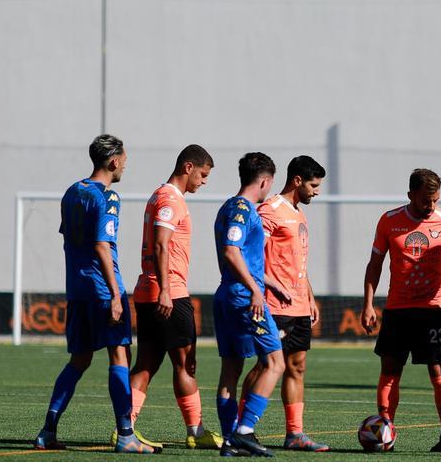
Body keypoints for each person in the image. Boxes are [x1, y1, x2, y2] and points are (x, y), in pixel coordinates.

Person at [34, 134, 156, 454]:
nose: (126, 165)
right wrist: (116, 294)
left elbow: (70, 240)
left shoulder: (73, 192)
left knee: (80, 359)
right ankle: (126, 434)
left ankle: (48, 430)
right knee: (119, 355)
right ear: (113, 160)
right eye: (125, 160)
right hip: (103, 289)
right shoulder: (108, 197)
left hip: (77, 288)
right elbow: (102, 244)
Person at [119, 144, 222, 450]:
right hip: (169, 293)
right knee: (185, 364)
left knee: (147, 363)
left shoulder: (159, 195)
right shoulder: (170, 199)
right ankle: (195, 429)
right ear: (188, 167)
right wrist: (165, 289)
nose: (203, 181)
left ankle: (125, 428)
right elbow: (162, 244)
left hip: (149, 291)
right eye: (202, 174)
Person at [360, 168, 441, 452]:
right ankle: (385, 433)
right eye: (424, 200)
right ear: (410, 195)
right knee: (390, 371)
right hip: (398, 310)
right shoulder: (389, 221)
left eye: (435, 200)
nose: (431, 206)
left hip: (434, 310)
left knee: (439, 372)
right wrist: (368, 303)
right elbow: (375, 265)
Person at [238, 156, 329, 452]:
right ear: (298, 180)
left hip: (299, 304)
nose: (317, 191)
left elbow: (297, 261)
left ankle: (295, 434)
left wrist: (310, 296)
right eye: (314, 185)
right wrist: (262, 290)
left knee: (297, 367)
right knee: (265, 364)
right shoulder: (270, 211)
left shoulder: (299, 214)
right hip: (275, 306)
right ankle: (240, 428)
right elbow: (251, 257)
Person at [213, 152, 286, 457]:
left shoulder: (228, 206)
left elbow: (240, 258)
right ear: (266, 181)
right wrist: (256, 290)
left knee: (231, 368)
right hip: (245, 299)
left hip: (227, 294)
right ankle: (244, 431)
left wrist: (269, 282)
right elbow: (232, 252)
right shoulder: (244, 209)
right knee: (275, 363)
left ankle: (230, 440)